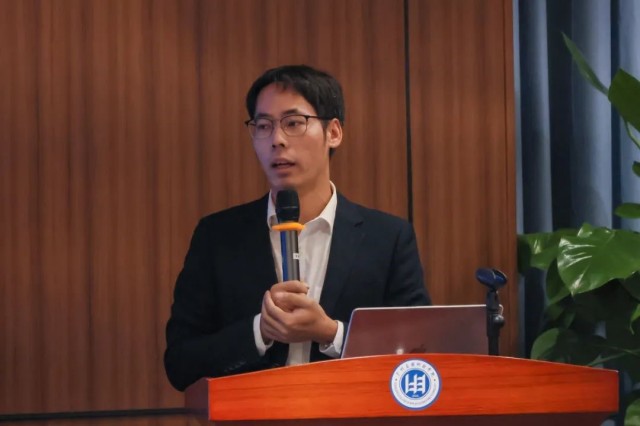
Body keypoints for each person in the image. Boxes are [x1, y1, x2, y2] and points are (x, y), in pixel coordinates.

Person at [164, 65, 431, 391]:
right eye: (263, 126)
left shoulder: (388, 238)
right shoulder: (217, 237)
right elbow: (180, 363)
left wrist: (331, 333)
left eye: (293, 123)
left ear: (333, 132)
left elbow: (419, 353)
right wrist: (260, 331)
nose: (276, 140)